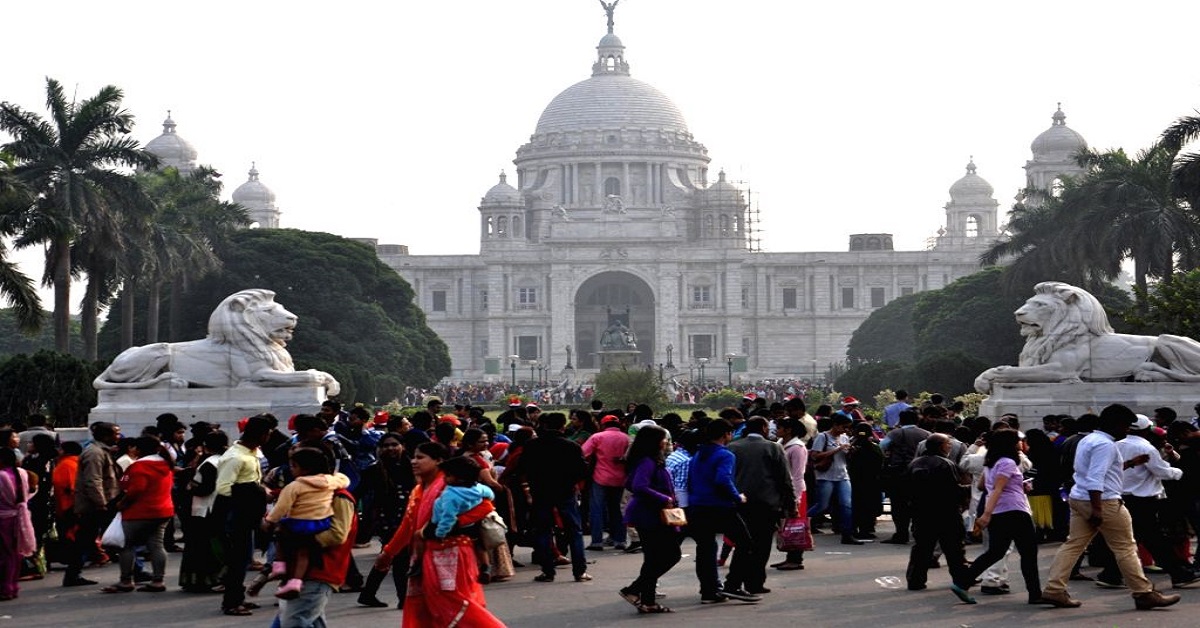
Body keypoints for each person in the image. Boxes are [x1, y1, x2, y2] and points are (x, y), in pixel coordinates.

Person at [1037, 404, 1181, 610]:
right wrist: (1097, 509)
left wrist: (1131, 463)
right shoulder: (1105, 445)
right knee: (1125, 547)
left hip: (1080, 497)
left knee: (1073, 544)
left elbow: (1101, 470)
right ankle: (1143, 592)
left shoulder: (1090, 440)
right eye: (1125, 426)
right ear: (1115, 424)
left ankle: (1054, 589)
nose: (1127, 431)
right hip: (1103, 500)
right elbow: (1096, 477)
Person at [374, 442, 506, 627]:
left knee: (454, 604)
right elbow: (408, 525)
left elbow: (485, 507)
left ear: (438, 461)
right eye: (414, 457)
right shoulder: (420, 489)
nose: (414, 461)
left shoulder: (451, 485)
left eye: (420, 457)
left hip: (452, 551)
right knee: (426, 608)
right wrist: (388, 553)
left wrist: (446, 526)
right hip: (427, 552)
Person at [949, 429, 1042, 605]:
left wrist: (1015, 486)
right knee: (1028, 552)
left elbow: (984, 486)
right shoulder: (1008, 462)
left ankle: (962, 582)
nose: (1021, 443)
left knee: (995, 551)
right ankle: (1035, 593)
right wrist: (986, 514)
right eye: (1018, 441)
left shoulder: (991, 462)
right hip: (1015, 510)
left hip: (999, 512)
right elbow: (998, 489)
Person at [1110, 414, 1197, 587]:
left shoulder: (1117, 445)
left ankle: (1111, 574)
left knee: (1133, 539)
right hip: (1143, 499)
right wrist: (1180, 472)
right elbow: (1161, 471)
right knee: (1152, 539)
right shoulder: (1145, 447)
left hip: (1124, 496)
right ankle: (1178, 573)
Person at [687, 418, 762, 604]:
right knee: (746, 543)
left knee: (706, 548)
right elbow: (722, 479)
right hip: (719, 506)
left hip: (698, 505)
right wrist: (737, 497)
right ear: (726, 434)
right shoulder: (725, 454)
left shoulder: (698, 454)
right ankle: (733, 585)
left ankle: (709, 590)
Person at [260, 448, 350, 599]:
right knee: (304, 552)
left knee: (280, 533)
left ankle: (279, 566)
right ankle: (295, 582)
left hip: (298, 522)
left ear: (305, 469)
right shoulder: (330, 482)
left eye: (293, 466)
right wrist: (337, 476)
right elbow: (344, 480)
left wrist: (269, 521)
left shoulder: (295, 486)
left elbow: (281, 508)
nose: (291, 469)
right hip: (320, 523)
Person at [512, 412, 590, 583]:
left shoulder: (532, 445)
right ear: (562, 426)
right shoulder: (571, 446)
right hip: (565, 491)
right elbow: (583, 470)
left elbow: (522, 468)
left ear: (545, 425)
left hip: (541, 491)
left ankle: (548, 571)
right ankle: (580, 571)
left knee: (543, 531)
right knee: (574, 531)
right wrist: (570, 480)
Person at [725, 417, 796, 595]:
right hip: (767, 503)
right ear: (764, 428)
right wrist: (791, 504)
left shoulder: (733, 447)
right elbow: (784, 478)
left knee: (742, 544)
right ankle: (754, 582)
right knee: (762, 545)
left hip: (739, 502)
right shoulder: (773, 447)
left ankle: (734, 582)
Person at [101, 435, 175, 594]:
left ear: (138, 449)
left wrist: (122, 504)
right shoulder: (166, 464)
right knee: (156, 545)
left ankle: (126, 580)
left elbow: (132, 488)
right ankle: (158, 580)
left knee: (126, 545)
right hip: (163, 510)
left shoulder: (138, 466)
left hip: (140, 511)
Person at [618, 425, 679, 614]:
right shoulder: (647, 461)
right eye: (663, 439)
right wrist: (663, 498)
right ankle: (636, 591)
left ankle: (646, 599)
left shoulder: (648, 460)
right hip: (649, 514)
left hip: (650, 513)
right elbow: (638, 486)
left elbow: (630, 483)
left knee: (654, 557)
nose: (666, 442)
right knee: (669, 554)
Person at [216, 415, 272, 617]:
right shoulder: (235, 457)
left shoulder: (252, 453)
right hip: (236, 514)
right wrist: (258, 492)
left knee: (243, 559)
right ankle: (231, 602)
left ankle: (238, 598)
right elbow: (224, 488)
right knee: (237, 560)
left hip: (249, 513)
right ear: (261, 435)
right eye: (268, 434)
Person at [356, 432, 416, 608]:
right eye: (386, 445)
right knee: (399, 558)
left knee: (388, 555)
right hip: (386, 520)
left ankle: (368, 593)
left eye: (394, 444)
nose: (390, 448)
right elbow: (358, 492)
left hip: (409, 517)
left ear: (402, 446)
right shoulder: (373, 470)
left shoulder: (411, 466)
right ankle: (403, 599)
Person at [904, 434, 969, 592]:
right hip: (946, 512)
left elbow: (906, 489)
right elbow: (953, 490)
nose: (950, 446)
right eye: (947, 444)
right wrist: (969, 490)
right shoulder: (946, 463)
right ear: (941, 446)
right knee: (954, 548)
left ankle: (915, 580)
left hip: (921, 512)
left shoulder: (915, 463)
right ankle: (961, 579)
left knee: (922, 547)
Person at [63, 421, 121, 588]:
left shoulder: (103, 451)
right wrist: (101, 503)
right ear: (106, 436)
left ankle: (73, 574)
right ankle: (73, 574)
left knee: (87, 539)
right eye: (115, 433)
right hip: (96, 505)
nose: (118, 436)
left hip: (103, 502)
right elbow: (93, 480)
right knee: (118, 537)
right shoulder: (95, 453)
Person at [179, 430, 228, 593]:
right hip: (218, 506)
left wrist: (190, 486)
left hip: (204, 509)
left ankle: (201, 580)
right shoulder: (226, 460)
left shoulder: (209, 464)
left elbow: (204, 488)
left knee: (200, 547)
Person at [807, 414, 863, 545]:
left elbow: (846, 456)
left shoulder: (844, 437)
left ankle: (847, 534)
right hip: (825, 476)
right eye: (844, 427)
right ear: (836, 425)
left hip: (842, 475)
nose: (846, 430)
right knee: (822, 505)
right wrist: (837, 449)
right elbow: (815, 455)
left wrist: (850, 451)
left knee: (846, 505)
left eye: (848, 428)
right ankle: (800, 522)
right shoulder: (823, 437)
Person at [879, 409, 930, 544]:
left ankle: (901, 534)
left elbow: (882, 446)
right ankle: (918, 532)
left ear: (900, 420)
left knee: (898, 504)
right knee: (919, 503)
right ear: (917, 420)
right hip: (920, 473)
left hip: (898, 473)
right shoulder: (926, 434)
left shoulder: (895, 433)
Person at [582, 415, 630, 551]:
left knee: (596, 509)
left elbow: (583, 453)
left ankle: (597, 542)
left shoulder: (597, 437)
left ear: (603, 425)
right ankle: (620, 540)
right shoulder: (626, 438)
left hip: (600, 477)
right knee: (617, 510)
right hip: (621, 479)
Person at [0, 445, 36, 600]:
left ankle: (5, 587)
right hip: (19, 517)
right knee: (16, 553)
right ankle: (13, 586)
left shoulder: (2, 476)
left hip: (4, 518)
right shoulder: (22, 473)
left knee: (5, 555)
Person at [773, 418, 808, 570]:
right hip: (784, 490)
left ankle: (796, 558)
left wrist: (796, 497)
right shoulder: (780, 444)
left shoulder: (797, 448)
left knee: (796, 525)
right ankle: (789, 556)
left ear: (788, 430)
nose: (777, 430)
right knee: (786, 524)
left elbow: (798, 475)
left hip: (795, 491)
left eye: (780, 428)